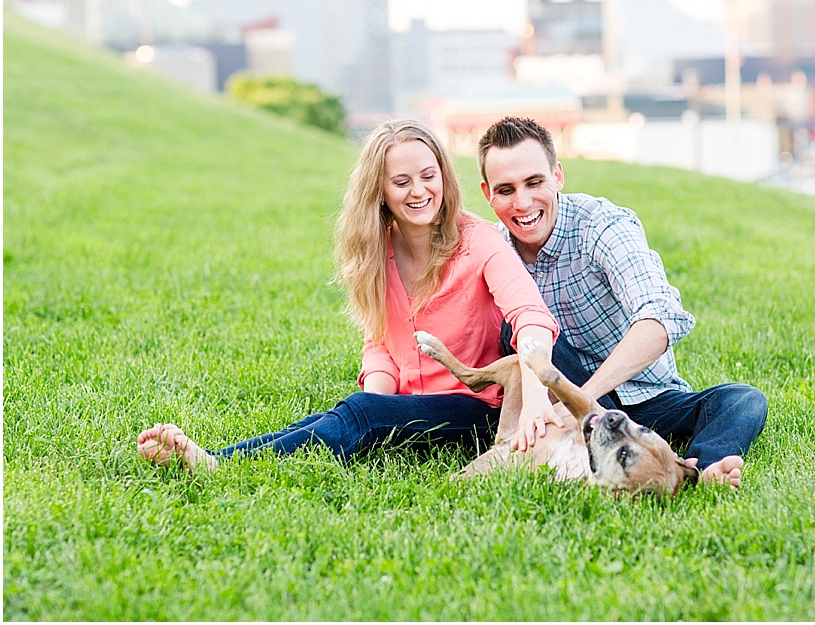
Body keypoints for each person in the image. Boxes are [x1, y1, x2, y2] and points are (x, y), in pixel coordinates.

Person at [137, 119, 564, 472]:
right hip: (406, 403)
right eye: (402, 181)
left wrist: (534, 399)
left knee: (361, 416)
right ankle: (214, 457)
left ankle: (219, 465)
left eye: (428, 176)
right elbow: (380, 343)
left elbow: (532, 319)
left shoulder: (479, 242)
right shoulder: (378, 250)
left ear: (444, 177)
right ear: (380, 190)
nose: (419, 191)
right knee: (342, 417)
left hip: (476, 411)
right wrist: (376, 400)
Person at [476, 116, 768, 491]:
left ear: (558, 176)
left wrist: (585, 398)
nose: (523, 202)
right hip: (563, 400)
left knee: (743, 401)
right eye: (506, 190)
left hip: (646, 402)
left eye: (535, 183)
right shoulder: (494, 251)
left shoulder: (602, 225)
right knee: (521, 333)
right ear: (488, 195)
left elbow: (660, 316)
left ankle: (703, 466)